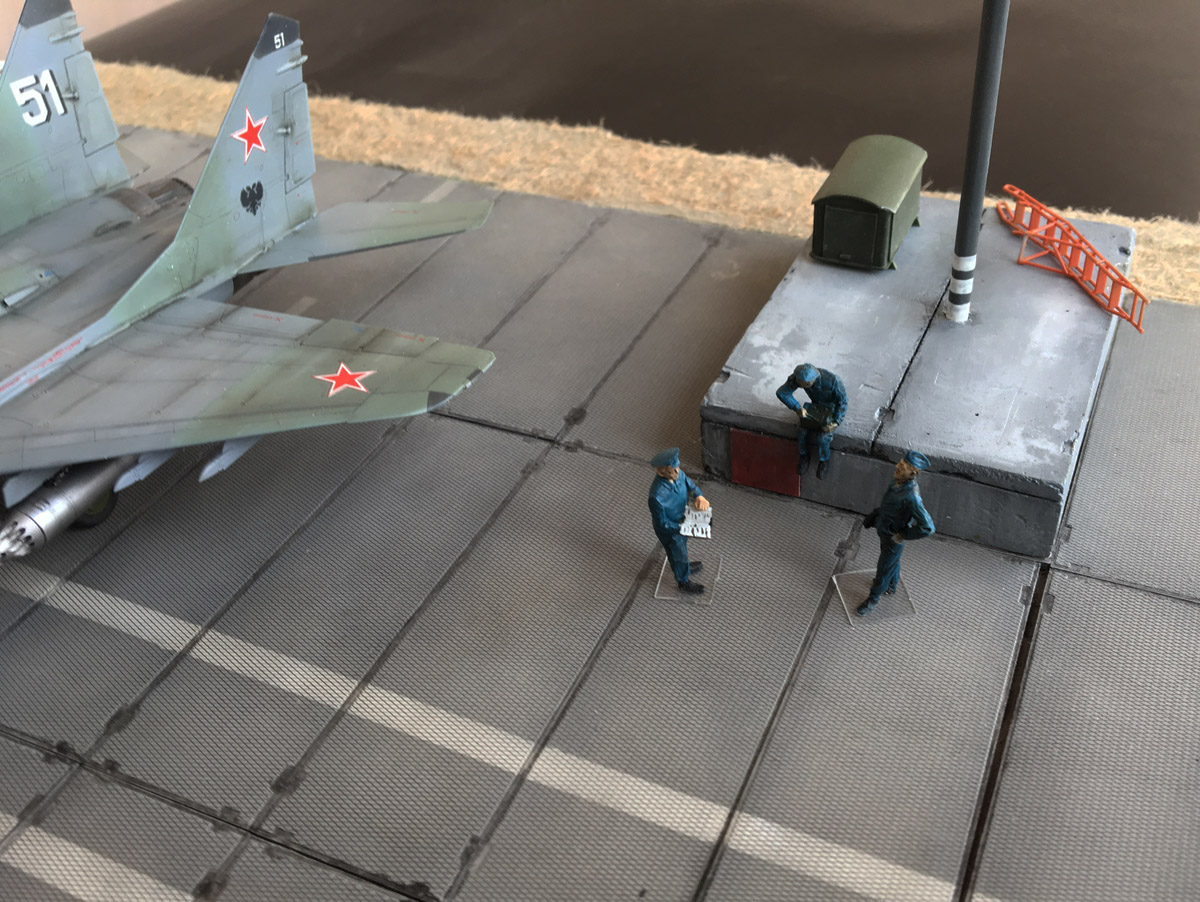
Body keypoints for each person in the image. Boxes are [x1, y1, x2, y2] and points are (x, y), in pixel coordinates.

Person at [857, 450, 935, 616]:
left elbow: (928, 527)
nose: (898, 466)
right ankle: (892, 586)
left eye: (904, 466)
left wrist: (903, 535)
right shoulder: (897, 481)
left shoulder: (912, 497)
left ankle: (873, 599)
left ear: (913, 473)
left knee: (883, 569)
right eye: (900, 462)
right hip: (885, 529)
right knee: (892, 561)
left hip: (893, 536)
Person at [648, 447, 710, 595]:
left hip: (683, 518)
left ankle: (683, 567)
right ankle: (683, 581)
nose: (677, 472)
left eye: (677, 468)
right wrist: (683, 528)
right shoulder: (656, 496)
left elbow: (691, 486)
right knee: (677, 552)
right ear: (661, 471)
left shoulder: (679, 474)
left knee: (682, 548)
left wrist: (699, 496)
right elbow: (662, 523)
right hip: (670, 530)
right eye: (672, 471)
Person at [775, 363, 848, 479]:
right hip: (815, 407)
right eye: (800, 384)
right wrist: (797, 408)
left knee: (823, 437)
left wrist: (836, 422)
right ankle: (804, 455)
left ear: (812, 381)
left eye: (805, 385)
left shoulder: (833, 381)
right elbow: (782, 393)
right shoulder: (798, 378)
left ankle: (824, 460)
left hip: (831, 409)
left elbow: (843, 402)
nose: (801, 386)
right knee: (801, 431)